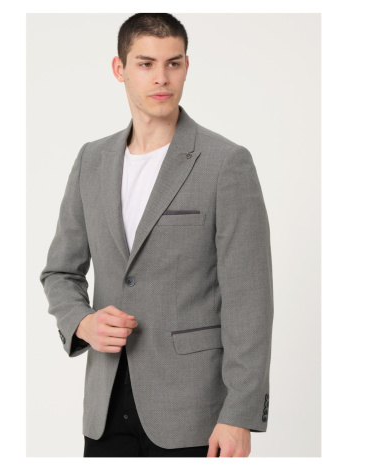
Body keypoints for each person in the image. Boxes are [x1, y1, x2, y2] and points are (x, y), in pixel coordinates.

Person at [40, 12, 274, 458]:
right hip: (105, 406)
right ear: (120, 68)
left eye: (173, 63)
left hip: (195, 412)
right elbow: (60, 271)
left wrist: (240, 412)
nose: (161, 77)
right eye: (146, 64)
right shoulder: (92, 160)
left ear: (186, 67)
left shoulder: (225, 163)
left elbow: (250, 299)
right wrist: (82, 322)